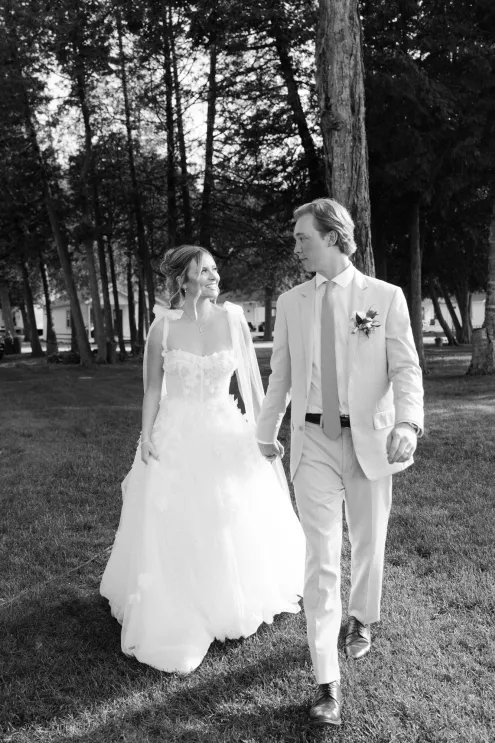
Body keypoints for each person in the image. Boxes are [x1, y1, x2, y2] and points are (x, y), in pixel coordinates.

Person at [256, 198, 424, 726]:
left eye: (303, 237)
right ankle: (327, 681)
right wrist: (265, 430)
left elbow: (406, 368)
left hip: (371, 440)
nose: (296, 246)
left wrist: (408, 423)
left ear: (332, 236)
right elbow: (281, 375)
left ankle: (362, 617)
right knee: (321, 559)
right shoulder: (291, 302)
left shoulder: (384, 297)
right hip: (313, 443)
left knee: (370, 542)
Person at [100, 245, 305, 673]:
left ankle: (229, 594)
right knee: (177, 516)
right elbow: (152, 389)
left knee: (228, 513)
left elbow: (251, 383)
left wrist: (263, 434)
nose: (214, 276)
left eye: (214, 269)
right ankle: (178, 599)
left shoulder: (233, 319)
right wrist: (146, 437)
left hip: (224, 429)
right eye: (205, 270)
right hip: (175, 433)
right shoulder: (162, 327)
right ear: (183, 279)